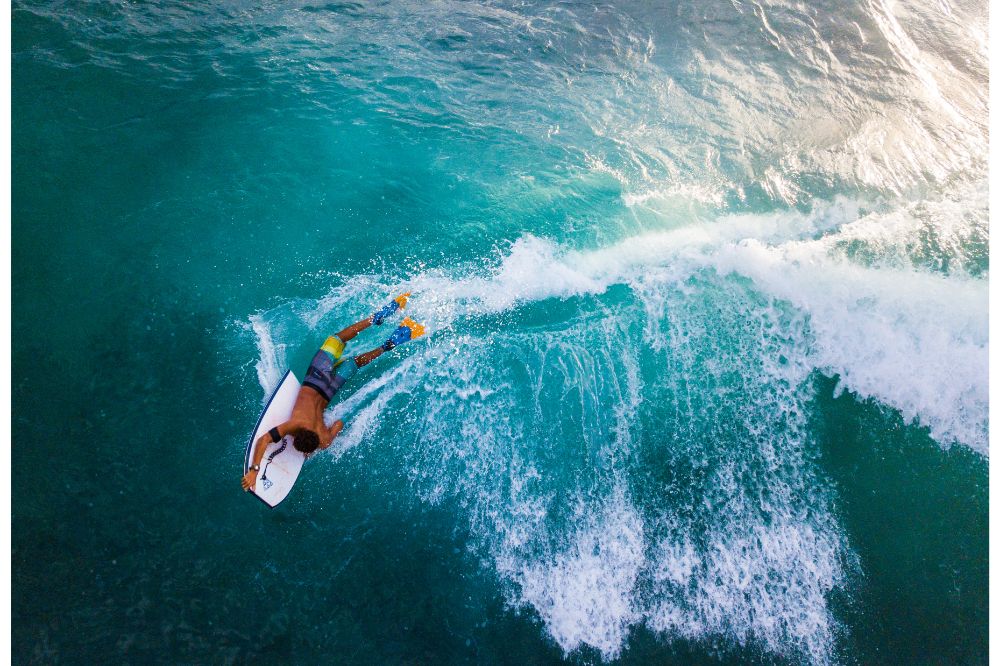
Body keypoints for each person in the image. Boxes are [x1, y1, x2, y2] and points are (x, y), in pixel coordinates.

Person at [242, 293, 424, 492]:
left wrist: (320, 442)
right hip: (315, 379)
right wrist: (254, 470)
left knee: (355, 362)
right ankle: (377, 317)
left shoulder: (324, 440)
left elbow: (338, 423)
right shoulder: (294, 424)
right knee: (338, 338)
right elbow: (265, 439)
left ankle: (392, 342)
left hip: (331, 389)